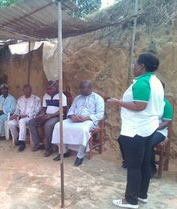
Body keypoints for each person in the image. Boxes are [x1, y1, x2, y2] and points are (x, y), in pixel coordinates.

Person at [108, 53, 164, 209]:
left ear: (142, 66)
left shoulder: (142, 83)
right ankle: (142, 195)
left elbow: (140, 106)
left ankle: (131, 200)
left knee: (134, 166)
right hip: (149, 128)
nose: (134, 67)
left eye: (136, 64)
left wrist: (118, 102)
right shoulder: (156, 81)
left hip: (136, 131)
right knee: (145, 163)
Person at [52, 80, 104, 166]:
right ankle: (63, 152)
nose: (81, 90)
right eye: (80, 88)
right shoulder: (77, 98)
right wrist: (73, 117)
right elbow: (71, 110)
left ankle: (80, 156)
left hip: (89, 121)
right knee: (58, 126)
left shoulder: (98, 98)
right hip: (75, 119)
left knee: (82, 130)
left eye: (83, 88)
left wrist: (85, 118)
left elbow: (100, 115)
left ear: (90, 88)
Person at [28, 81, 67, 157]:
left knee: (48, 125)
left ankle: (49, 148)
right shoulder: (46, 95)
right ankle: (37, 144)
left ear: (55, 87)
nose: (48, 90)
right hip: (47, 115)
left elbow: (63, 110)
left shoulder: (62, 96)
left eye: (50, 89)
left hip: (57, 116)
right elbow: (44, 108)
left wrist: (51, 115)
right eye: (47, 89)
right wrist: (41, 114)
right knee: (31, 122)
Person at [8, 84, 41, 151]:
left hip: (30, 118)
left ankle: (22, 142)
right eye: (25, 91)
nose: (27, 92)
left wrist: (27, 116)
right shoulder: (20, 99)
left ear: (31, 90)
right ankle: (17, 138)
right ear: (23, 91)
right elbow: (17, 110)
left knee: (22, 121)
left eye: (28, 91)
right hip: (20, 118)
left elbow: (37, 111)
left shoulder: (36, 99)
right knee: (10, 123)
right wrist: (15, 115)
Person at [150, 95, 173, 177]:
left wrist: (152, 128)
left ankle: (151, 168)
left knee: (149, 143)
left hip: (160, 131)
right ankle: (131, 162)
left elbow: (166, 122)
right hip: (145, 129)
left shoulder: (165, 103)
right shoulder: (147, 100)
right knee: (125, 138)